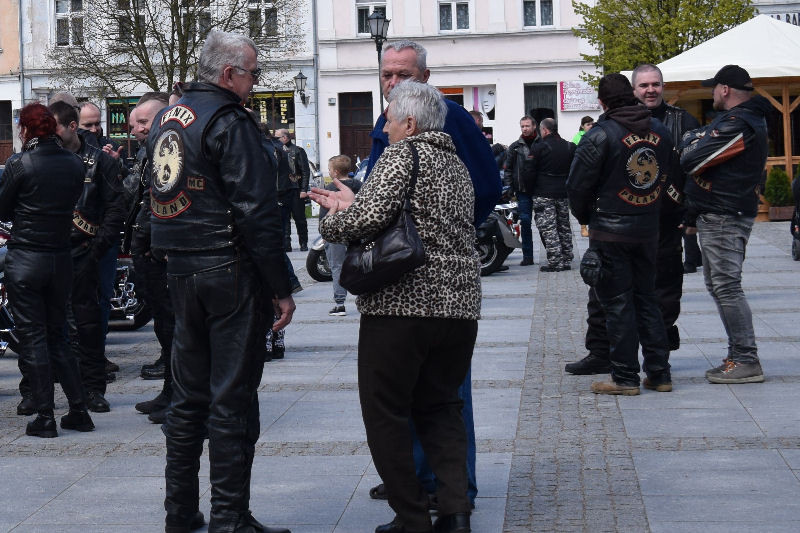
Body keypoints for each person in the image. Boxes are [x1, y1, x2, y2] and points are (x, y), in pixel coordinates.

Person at [312, 79, 478, 533]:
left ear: (409, 121)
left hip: (402, 306)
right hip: (459, 308)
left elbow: (366, 220)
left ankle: (410, 516)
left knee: (385, 410)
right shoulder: (456, 163)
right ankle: (455, 512)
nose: (382, 124)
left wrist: (334, 217)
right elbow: (406, 215)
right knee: (442, 408)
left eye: (388, 116)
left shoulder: (403, 154)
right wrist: (358, 201)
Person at [147, 30, 294, 533]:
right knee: (231, 399)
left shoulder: (169, 117)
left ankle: (181, 515)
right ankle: (229, 518)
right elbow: (256, 209)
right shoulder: (230, 121)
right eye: (253, 74)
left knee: (187, 399)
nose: (255, 84)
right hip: (228, 269)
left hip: (181, 267)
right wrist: (280, 285)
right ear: (230, 74)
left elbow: (158, 192)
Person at [363, 39, 498, 512]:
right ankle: (418, 478)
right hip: (401, 284)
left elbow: (486, 187)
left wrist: (440, 231)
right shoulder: (387, 122)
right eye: (387, 74)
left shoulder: (449, 118)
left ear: (424, 74)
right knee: (411, 393)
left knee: (443, 397)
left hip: (436, 285)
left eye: (403, 74)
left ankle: (454, 486)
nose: (394, 82)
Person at [565, 63, 698, 375]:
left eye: (655, 84)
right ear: (633, 92)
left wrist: (588, 216)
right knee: (635, 297)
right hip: (646, 223)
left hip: (643, 227)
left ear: (602, 102)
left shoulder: (673, 122)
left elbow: (577, 185)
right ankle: (652, 368)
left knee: (632, 299)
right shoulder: (657, 129)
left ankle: (626, 373)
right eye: (644, 85)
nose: (651, 90)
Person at [0, 103, 93, 437]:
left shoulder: (20, 163)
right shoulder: (73, 162)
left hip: (27, 258)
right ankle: (79, 410)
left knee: (34, 337)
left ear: (25, 130)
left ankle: (44, 415)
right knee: (59, 335)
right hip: (60, 258)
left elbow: (3, 206)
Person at [678, 64, 769, 384]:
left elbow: (692, 159)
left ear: (725, 89)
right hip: (721, 212)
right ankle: (739, 355)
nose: (712, 94)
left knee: (727, 286)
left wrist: (694, 141)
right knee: (719, 286)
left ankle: (746, 358)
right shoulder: (739, 121)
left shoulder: (738, 124)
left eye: (714, 88)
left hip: (725, 214)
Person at [47, 100, 127, 413]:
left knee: (89, 325)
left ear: (70, 126)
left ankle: (93, 389)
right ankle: (50, 390)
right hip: (52, 253)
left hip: (87, 252)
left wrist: (96, 250)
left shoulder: (99, 161)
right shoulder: (44, 158)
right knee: (49, 324)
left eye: (54, 127)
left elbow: (114, 208)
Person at [121, 92, 175, 424]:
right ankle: (171, 391)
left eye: (143, 122)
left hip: (163, 252)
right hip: (147, 250)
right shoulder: (147, 150)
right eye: (133, 125)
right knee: (164, 327)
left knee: (174, 327)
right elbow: (132, 194)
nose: (137, 130)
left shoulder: (169, 149)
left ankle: (179, 396)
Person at [526, 118, 575, 272]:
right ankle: (567, 259)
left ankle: (555, 262)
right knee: (564, 226)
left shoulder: (539, 148)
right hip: (563, 192)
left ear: (545, 130)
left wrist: (529, 190)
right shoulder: (570, 146)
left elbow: (530, 172)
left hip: (543, 192)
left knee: (549, 228)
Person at [320, 154, 361, 316]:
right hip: (356, 231)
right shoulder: (358, 185)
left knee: (337, 267)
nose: (329, 172)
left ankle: (339, 303)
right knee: (360, 265)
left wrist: (323, 233)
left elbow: (325, 214)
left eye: (329, 169)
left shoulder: (330, 189)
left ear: (335, 172)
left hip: (335, 233)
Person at [504, 116, 539, 266]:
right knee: (525, 222)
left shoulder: (541, 144)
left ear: (534, 126)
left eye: (527, 126)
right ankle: (528, 256)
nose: (524, 129)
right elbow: (508, 169)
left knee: (545, 224)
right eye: (522, 126)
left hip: (540, 190)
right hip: (522, 191)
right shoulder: (515, 147)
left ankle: (553, 254)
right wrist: (510, 188)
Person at [276, 128, 310, 251]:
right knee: (284, 219)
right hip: (281, 190)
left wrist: (304, 189)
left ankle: (303, 243)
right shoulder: (276, 151)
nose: (276, 140)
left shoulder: (298, 151)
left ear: (285, 138)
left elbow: (305, 171)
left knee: (299, 218)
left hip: (296, 189)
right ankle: (286, 244)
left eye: (277, 137)